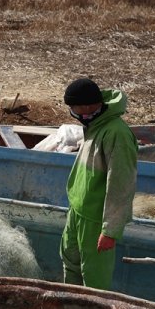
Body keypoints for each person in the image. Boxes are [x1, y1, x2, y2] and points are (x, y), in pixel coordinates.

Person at [60, 78, 138, 290]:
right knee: (71, 262)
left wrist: (110, 230)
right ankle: (71, 305)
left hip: (95, 219)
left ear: (85, 107)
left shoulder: (116, 133)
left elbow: (121, 185)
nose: (72, 112)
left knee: (94, 277)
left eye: (73, 107)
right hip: (78, 211)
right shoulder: (94, 125)